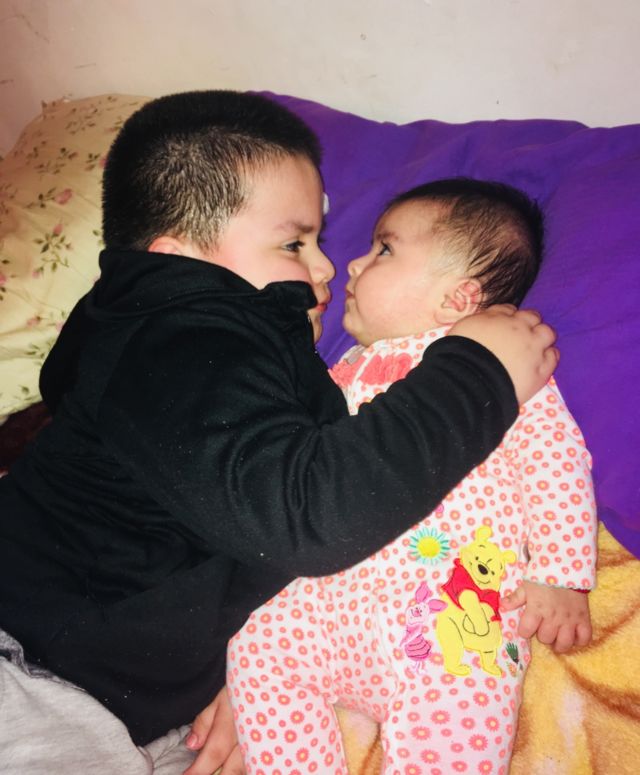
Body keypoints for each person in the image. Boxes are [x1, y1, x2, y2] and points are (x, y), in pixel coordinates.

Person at [0, 92, 556, 773]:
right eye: (295, 243)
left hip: (120, 700)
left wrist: (245, 659)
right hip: (31, 670)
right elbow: (309, 515)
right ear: (179, 261)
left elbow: (257, 528)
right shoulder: (174, 335)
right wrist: (479, 371)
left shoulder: (221, 360)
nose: (327, 268)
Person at [227, 178, 596, 775]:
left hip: (449, 618)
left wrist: (562, 575)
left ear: (458, 297)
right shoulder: (338, 372)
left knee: (455, 724)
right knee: (255, 651)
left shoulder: (499, 365)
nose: (352, 263)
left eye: (384, 249)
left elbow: (555, 461)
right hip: (319, 611)